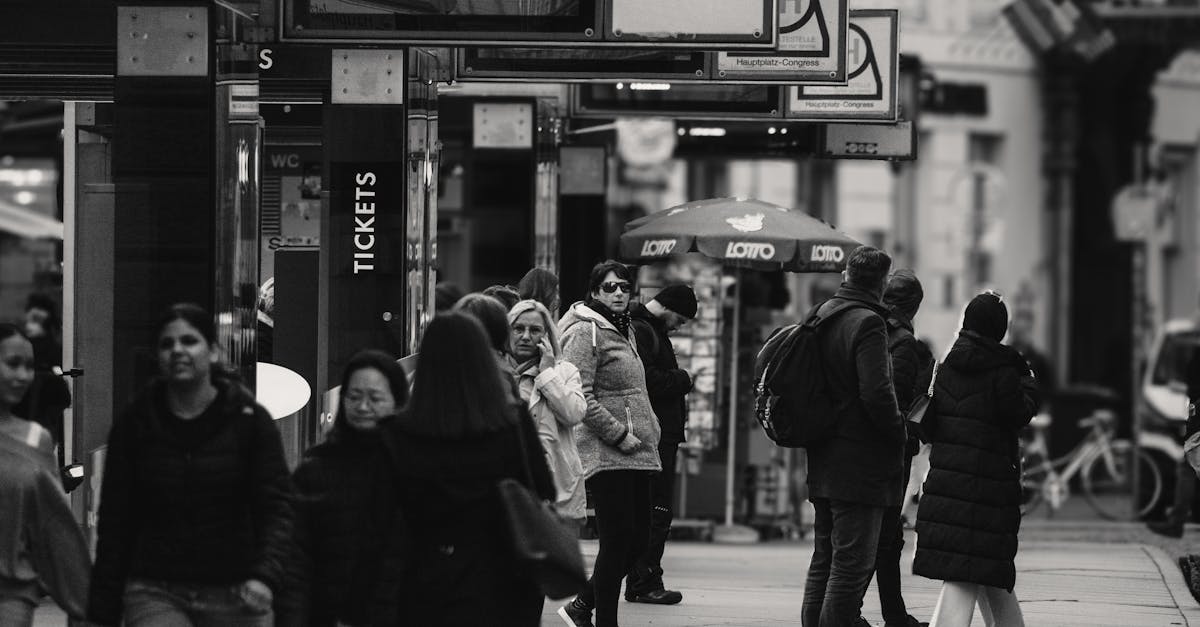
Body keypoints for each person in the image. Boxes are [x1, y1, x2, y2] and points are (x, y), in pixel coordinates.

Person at [87, 303, 294, 627]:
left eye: (189, 341)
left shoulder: (249, 421)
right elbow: (116, 523)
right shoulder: (136, 425)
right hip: (155, 588)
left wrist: (266, 576)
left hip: (236, 589)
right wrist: (102, 611)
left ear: (212, 352)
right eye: (167, 344)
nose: (177, 350)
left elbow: (277, 508)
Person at [377, 312, 555, 626]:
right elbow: (542, 487)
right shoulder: (510, 422)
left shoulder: (398, 430)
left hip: (422, 578)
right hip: (498, 576)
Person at [913, 291, 1040, 627]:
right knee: (970, 569)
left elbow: (932, 424)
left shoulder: (944, 367)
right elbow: (1019, 413)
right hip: (989, 486)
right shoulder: (1004, 371)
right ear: (999, 329)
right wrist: (1027, 379)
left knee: (982, 566)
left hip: (948, 481)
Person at [801, 245, 905, 627]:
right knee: (851, 567)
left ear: (846, 275)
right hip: (859, 462)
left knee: (824, 559)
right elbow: (876, 393)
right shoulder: (868, 322)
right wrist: (899, 431)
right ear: (881, 284)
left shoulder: (821, 314)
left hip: (823, 453)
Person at [557, 260, 662, 627]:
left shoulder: (623, 327)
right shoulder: (585, 330)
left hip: (638, 450)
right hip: (608, 451)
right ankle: (605, 622)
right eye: (609, 287)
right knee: (617, 542)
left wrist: (650, 430)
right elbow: (579, 393)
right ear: (594, 291)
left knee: (637, 543)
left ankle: (581, 605)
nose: (618, 292)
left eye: (624, 287)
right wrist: (618, 433)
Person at [278, 350, 408, 626]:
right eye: (353, 396)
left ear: (397, 402)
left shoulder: (413, 468)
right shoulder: (316, 467)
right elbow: (296, 560)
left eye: (374, 398)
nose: (362, 407)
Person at [0, 324, 90, 626]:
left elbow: (55, 528)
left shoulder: (35, 439)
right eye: (13, 364)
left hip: (12, 595)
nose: (24, 376)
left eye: (28, 366)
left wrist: (86, 604)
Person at [625, 283, 698, 606]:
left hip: (660, 433)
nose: (680, 326)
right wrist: (683, 380)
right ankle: (644, 580)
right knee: (656, 509)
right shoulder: (643, 331)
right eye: (680, 319)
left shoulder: (646, 329)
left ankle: (644, 577)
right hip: (654, 435)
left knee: (654, 509)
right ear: (668, 308)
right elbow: (647, 380)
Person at [873, 270, 932, 627]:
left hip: (851, 449)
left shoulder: (863, 325)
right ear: (913, 307)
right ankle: (888, 615)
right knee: (884, 535)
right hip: (889, 452)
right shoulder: (903, 342)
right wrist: (910, 435)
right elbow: (897, 399)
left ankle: (887, 613)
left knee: (871, 535)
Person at [507, 299, 588, 522]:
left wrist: (546, 375)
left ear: (546, 336)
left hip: (557, 487)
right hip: (511, 484)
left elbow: (574, 414)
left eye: (534, 330)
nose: (525, 336)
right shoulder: (496, 372)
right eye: (518, 328)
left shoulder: (564, 371)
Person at [16, 293, 71, 465]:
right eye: (31, 318)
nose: (31, 324)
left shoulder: (47, 349)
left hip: (39, 412)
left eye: (37, 319)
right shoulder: (27, 347)